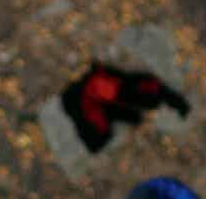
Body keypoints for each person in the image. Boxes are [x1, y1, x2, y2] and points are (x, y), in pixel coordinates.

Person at [61, 61, 190, 152]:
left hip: (112, 95)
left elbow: (115, 96)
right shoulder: (92, 101)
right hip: (110, 96)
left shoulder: (96, 93)